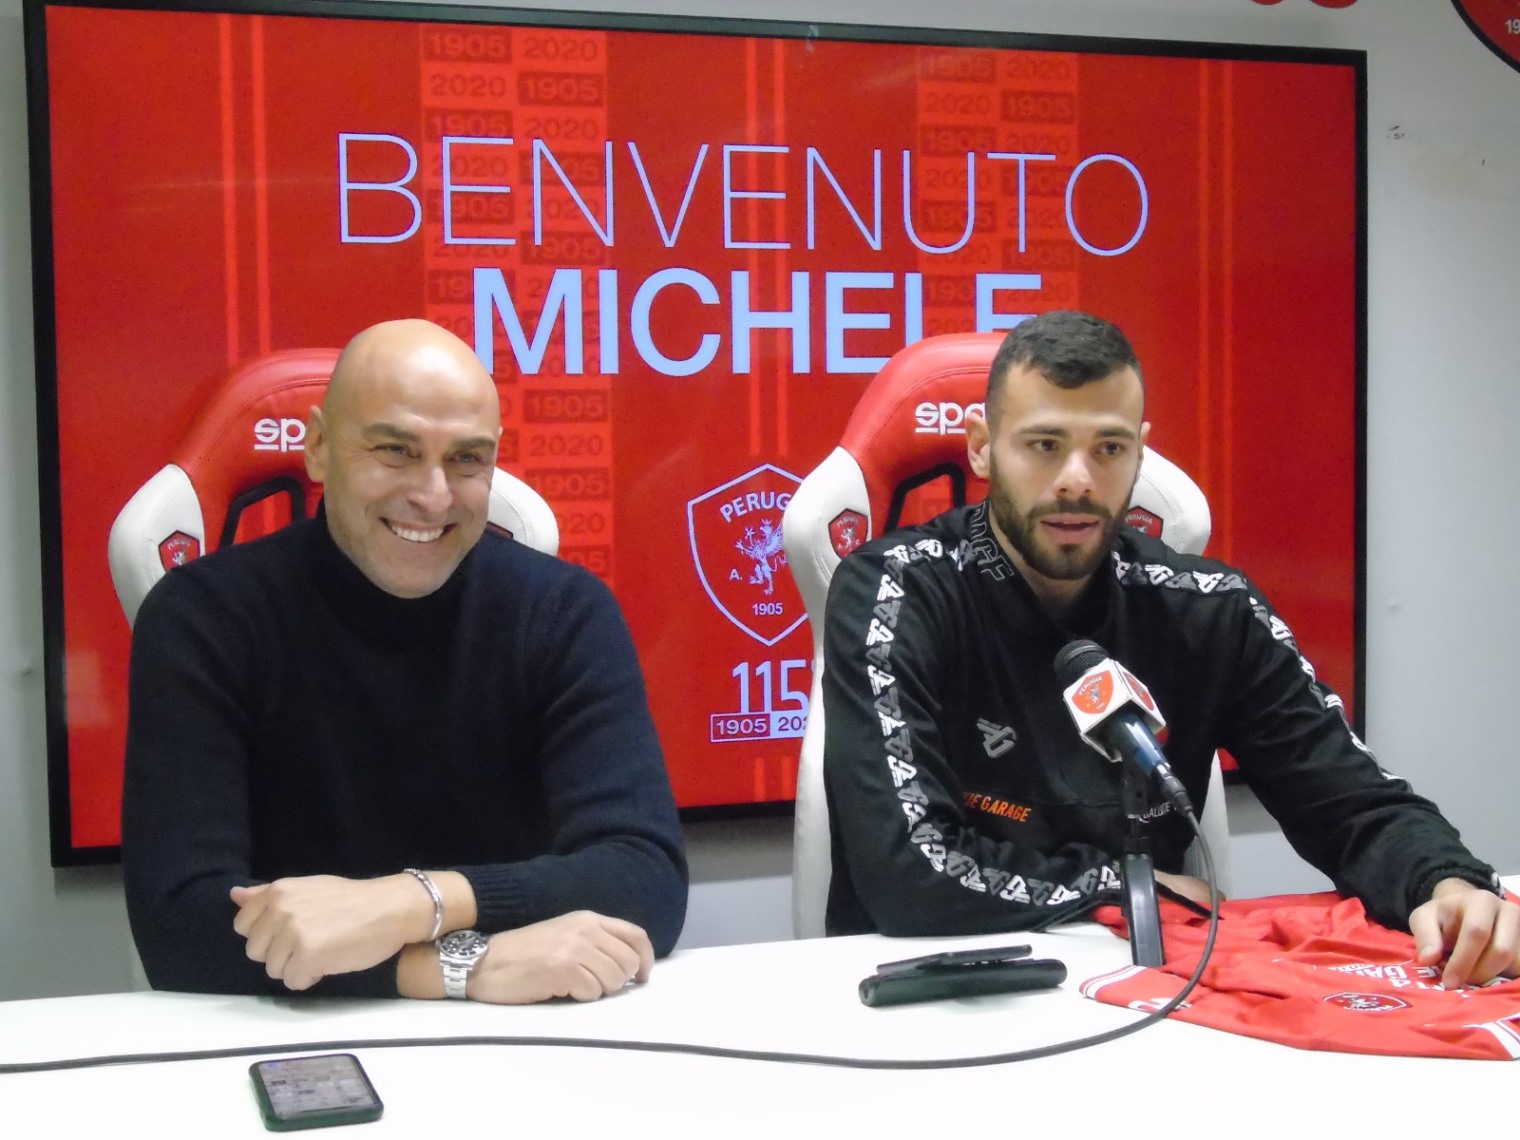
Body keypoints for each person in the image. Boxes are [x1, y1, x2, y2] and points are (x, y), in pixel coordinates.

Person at [822, 310, 1518, 988]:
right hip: (937, 995)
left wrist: (1445, 882)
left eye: (1109, 448)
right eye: (1044, 445)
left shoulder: (1210, 608)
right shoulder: (895, 590)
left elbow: (1354, 804)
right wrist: (1126, 884)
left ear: (1140, 452)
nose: (1077, 480)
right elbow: (904, 874)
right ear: (981, 446)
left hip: (1147, 989)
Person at [123, 319, 687, 1003]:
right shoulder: (202, 618)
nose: (434, 495)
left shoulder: (566, 613)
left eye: (467, 459)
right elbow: (180, 928)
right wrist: (462, 967)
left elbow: (645, 880)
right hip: (287, 1031)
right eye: (396, 450)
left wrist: (408, 903)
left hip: (525, 1031)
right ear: (318, 447)